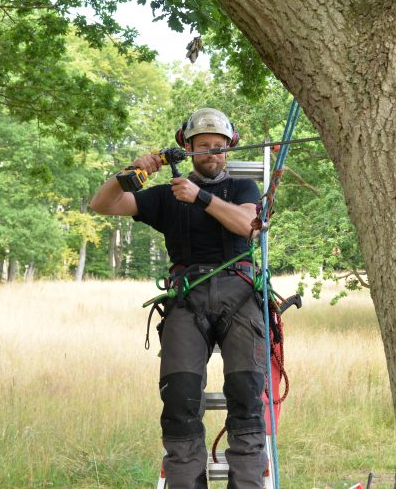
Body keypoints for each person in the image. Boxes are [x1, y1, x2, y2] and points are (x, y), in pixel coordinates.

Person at [90, 108, 266, 489]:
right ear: (188, 148)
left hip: (240, 293)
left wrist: (200, 197)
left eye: (220, 147)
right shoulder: (167, 197)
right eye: (203, 147)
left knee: (248, 398)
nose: (212, 154)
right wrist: (130, 173)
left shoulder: (242, 190)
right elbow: (102, 205)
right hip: (187, 297)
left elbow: (247, 226)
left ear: (228, 150)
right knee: (180, 402)